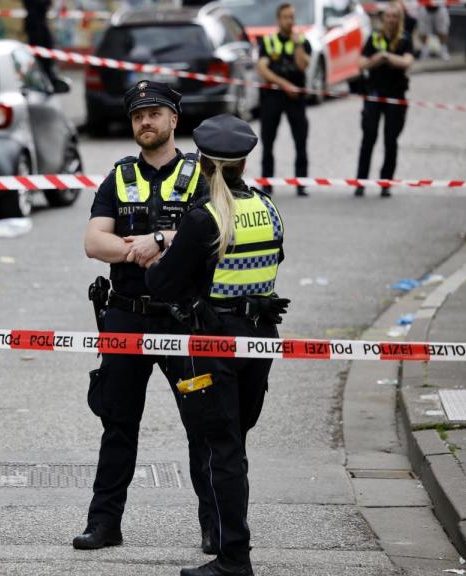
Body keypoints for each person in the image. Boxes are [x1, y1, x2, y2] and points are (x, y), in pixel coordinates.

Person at [145, 114, 289, 576]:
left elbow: (163, 284)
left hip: (215, 342)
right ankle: (232, 544)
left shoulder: (204, 219)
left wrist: (163, 255)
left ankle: (233, 557)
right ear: (244, 163)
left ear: (204, 164)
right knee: (235, 443)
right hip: (260, 339)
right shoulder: (268, 208)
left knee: (218, 446)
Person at [77, 80, 210, 552]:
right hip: (126, 317)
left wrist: (162, 240)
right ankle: (104, 524)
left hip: (184, 319)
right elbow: (95, 243)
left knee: (204, 426)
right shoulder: (117, 178)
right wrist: (143, 248)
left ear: (174, 120)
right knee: (117, 425)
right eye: (138, 116)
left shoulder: (200, 177)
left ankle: (214, 526)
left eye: (154, 114)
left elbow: (213, 235)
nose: (145, 122)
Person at [354, 0, 414, 198]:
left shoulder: (405, 39)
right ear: (383, 18)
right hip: (374, 95)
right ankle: (360, 182)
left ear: (399, 19)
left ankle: (385, 183)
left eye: (395, 16)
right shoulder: (374, 38)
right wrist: (378, 59)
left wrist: (386, 57)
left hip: (395, 97)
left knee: (391, 140)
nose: (391, 20)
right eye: (388, 16)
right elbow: (361, 64)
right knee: (368, 138)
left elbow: (407, 62)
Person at [256, 2, 312, 197]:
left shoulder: (302, 41)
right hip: (273, 97)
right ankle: (267, 183)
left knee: (301, 140)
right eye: (286, 17)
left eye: (292, 17)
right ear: (279, 20)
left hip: (296, 98)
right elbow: (262, 68)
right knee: (268, 140)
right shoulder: (269, 41)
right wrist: (284, 84)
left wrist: (297, 44)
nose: (290, 21)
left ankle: (301, 183)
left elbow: (303, 65)